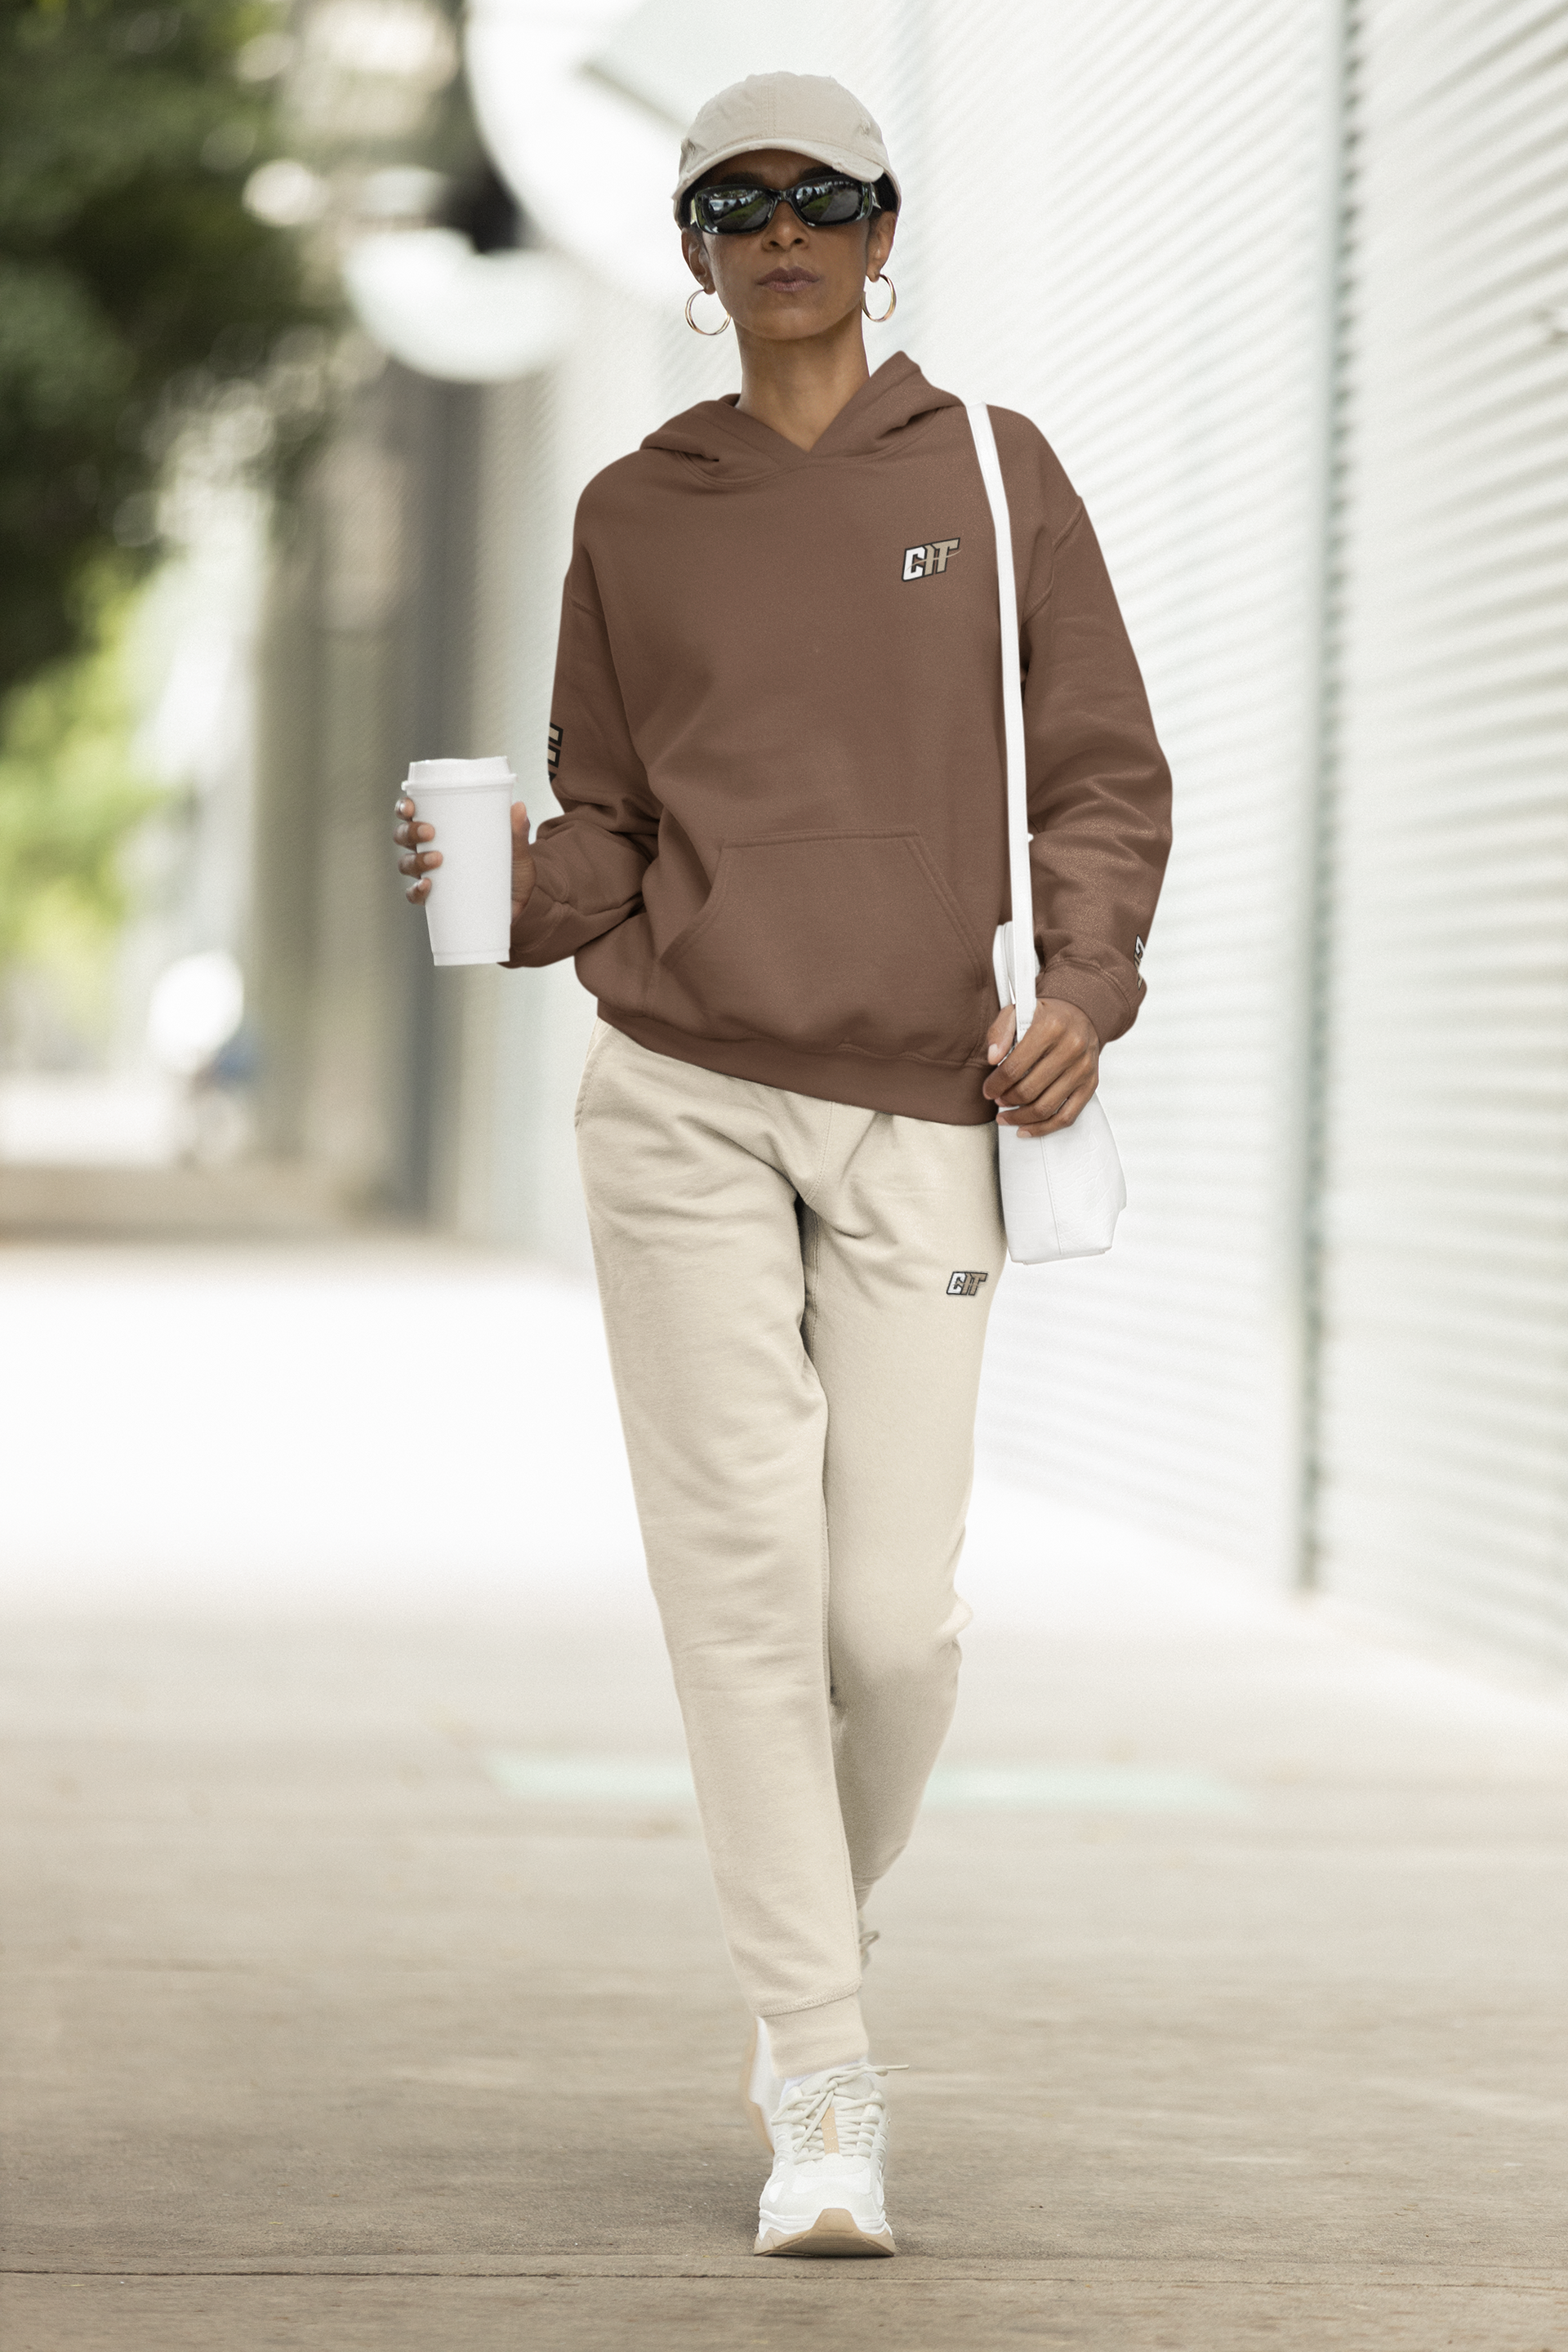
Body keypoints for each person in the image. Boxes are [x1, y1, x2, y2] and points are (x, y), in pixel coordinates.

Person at [395, 71, 1171, 2259]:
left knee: (886, 1629)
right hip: (679, 1100)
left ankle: (797, 1949)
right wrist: (519, 883)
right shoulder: (637, 512)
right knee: (744, 1604)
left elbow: (1106, 774)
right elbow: (613, 826)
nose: (783, 227)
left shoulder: (998, 481)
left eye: (822, 194)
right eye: (737, 201)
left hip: (930, 1104)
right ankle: (822, 2079)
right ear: (695, 250)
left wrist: (1086, 991)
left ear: (886, 227)